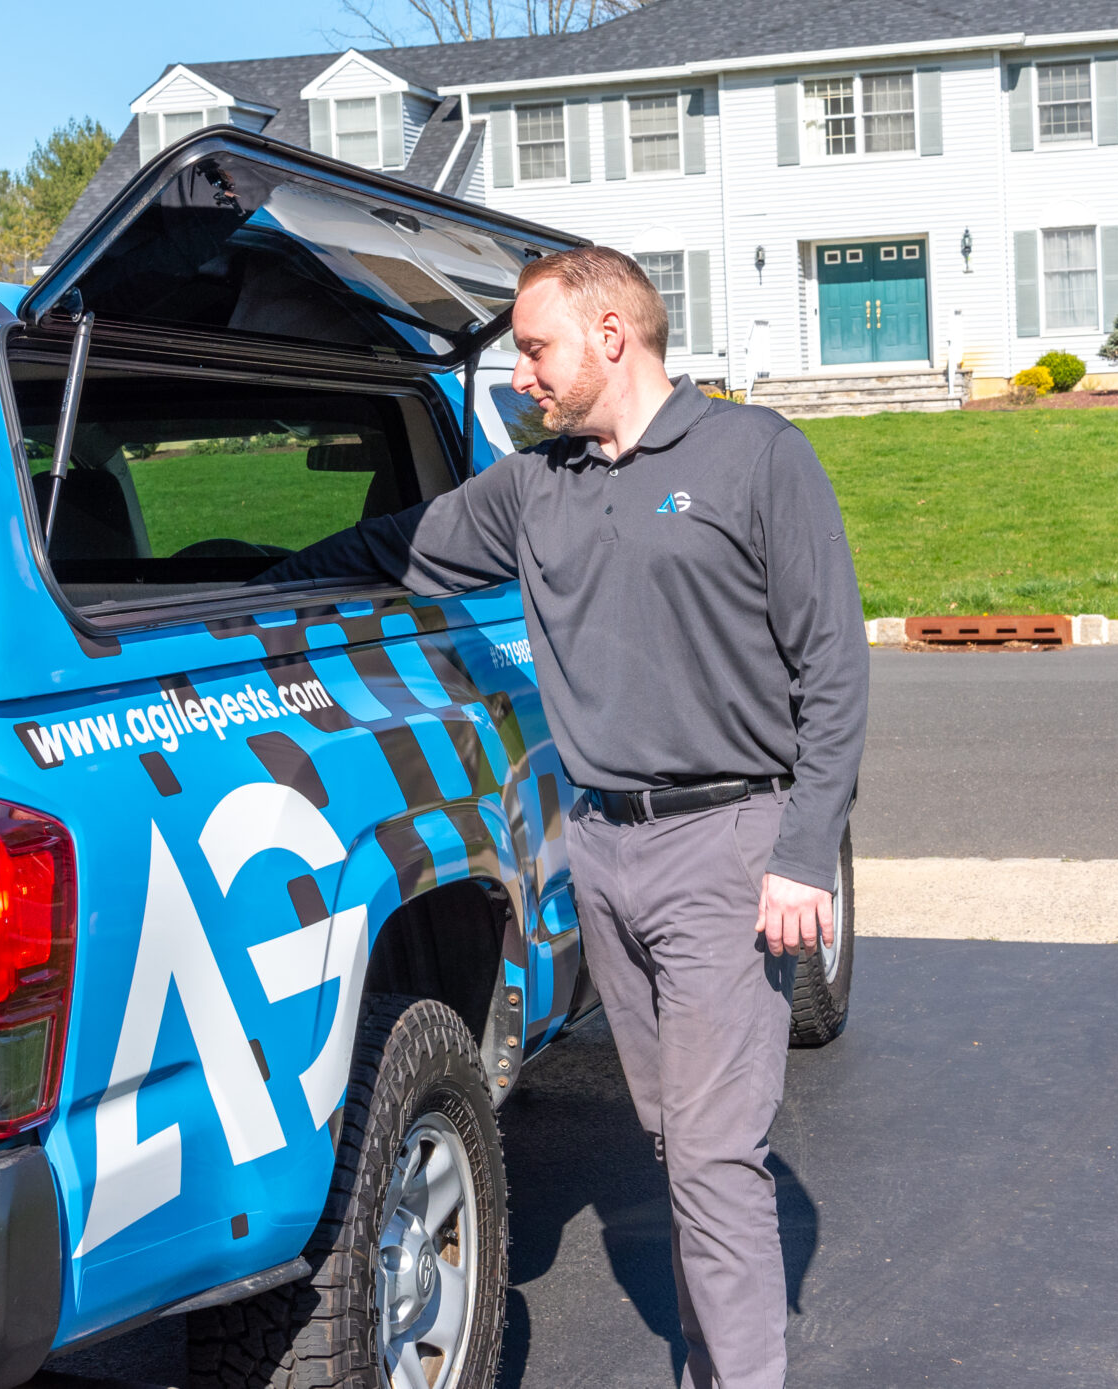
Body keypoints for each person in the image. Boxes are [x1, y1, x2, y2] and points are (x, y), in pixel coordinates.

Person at [260, 245, 868, 1389]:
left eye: (534, 349)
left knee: (713, 1154)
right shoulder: (540, 485)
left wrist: (802, 856)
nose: (523, 375)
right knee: (671, 1139)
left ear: (608, 334)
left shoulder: (755, 456)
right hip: (602, 846)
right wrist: (236, 590)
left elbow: (832, 668)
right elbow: (394, 546)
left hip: (727, 843)